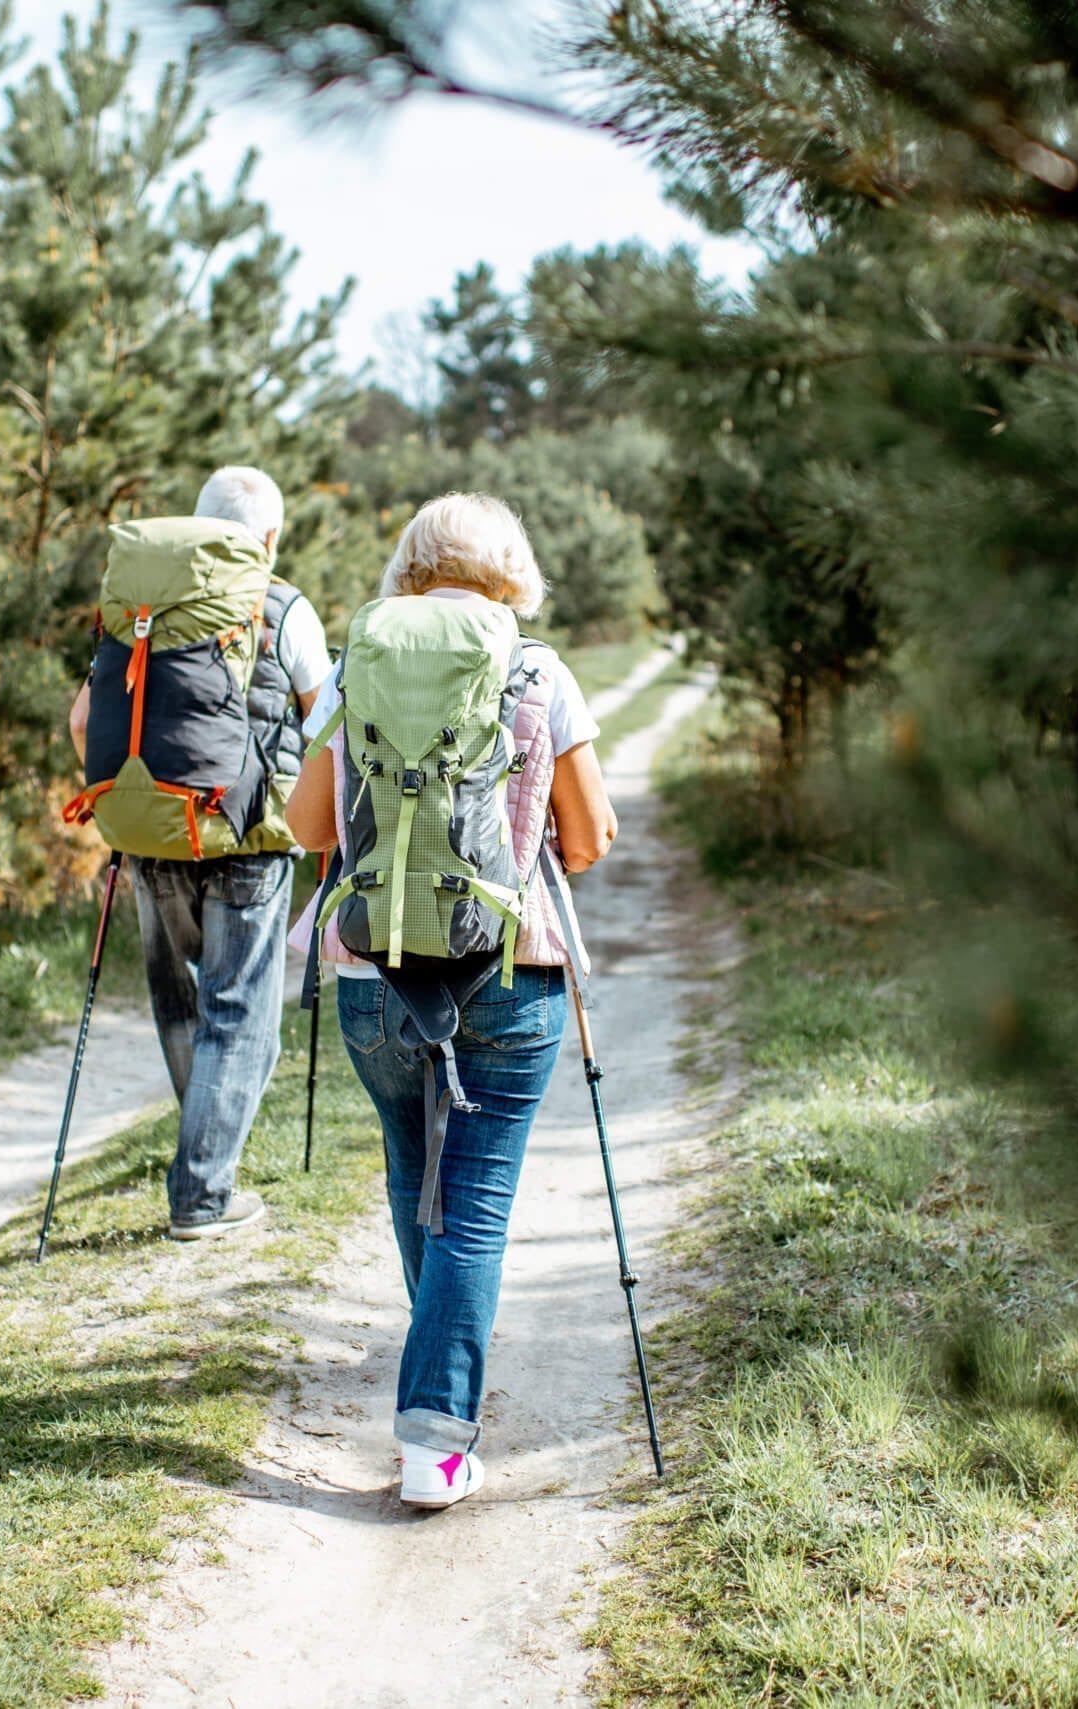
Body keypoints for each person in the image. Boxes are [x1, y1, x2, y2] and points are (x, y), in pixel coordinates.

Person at [285, 493, 618, 1509]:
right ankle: (434, 1435)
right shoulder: (536, 670)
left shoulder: (354, 663)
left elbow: (307, 828)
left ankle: (437, 1368)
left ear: (408, 568)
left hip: (375, 971)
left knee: (406, 1166)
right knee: (471, 1203)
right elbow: (592, 836)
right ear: (511, 573)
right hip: (510, 972)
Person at [69, 467, 329, 1240]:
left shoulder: (142, 608)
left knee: (180, 999)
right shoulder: (282, 605)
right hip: (246, 834)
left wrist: (135, 800)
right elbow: (328, 726)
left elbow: (86, 722)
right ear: (272, 540)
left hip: (152, 830)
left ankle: (202, 1152)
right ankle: (204, 1191)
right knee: (241, 1012)